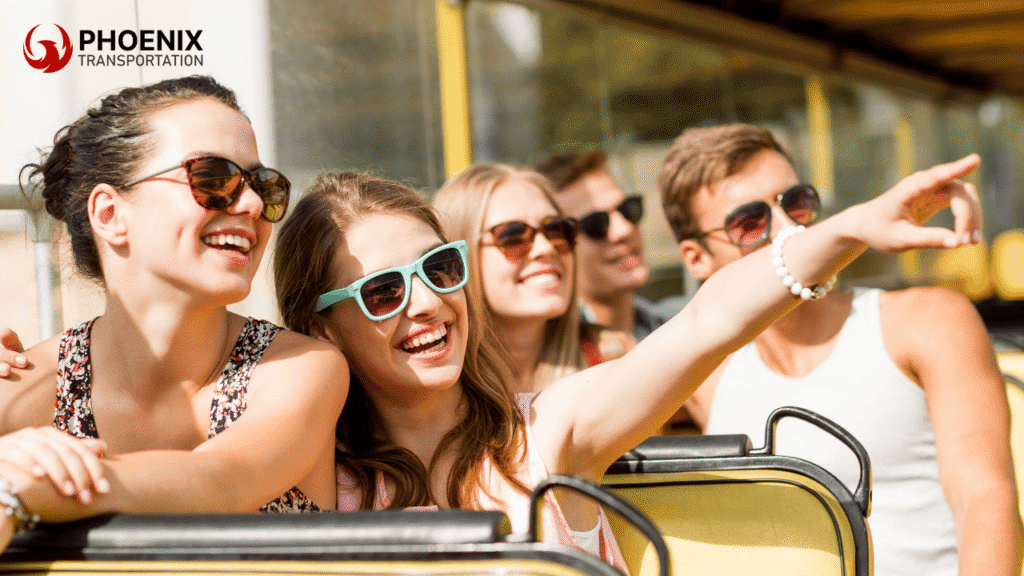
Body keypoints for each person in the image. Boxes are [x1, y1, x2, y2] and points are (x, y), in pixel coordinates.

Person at [269, 150, 982, 567]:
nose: (426, 303)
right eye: (385, 290)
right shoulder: (318, 487)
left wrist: (849, 228)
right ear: (321, 328)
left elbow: (708, 322)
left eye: (441, 269)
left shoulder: (546, 435)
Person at [0, 76, 348, 550]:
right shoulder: (21, 390)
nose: (250, 205)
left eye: (264, 186)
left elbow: (221, 482)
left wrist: (25, 483)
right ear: (109, 214)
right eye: (212, 177)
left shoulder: (301, 368)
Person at [657, 123, 1021, 576]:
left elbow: (984, 499)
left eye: (796, 203)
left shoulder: (925, 320)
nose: (788, 228)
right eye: (750, 222)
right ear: (696, 259)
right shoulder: (706, 374)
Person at [432, 164, 632, 394]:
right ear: (460, 258)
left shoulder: (616, 359)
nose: (545, 248)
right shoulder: (436, 391)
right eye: (513, 235)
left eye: (557, 230)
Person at [534, 151, 682, 341]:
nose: (624, 230)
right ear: (554, 249)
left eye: (628, 209)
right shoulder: (550, 364)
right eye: (596, 224)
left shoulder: (681, 325)